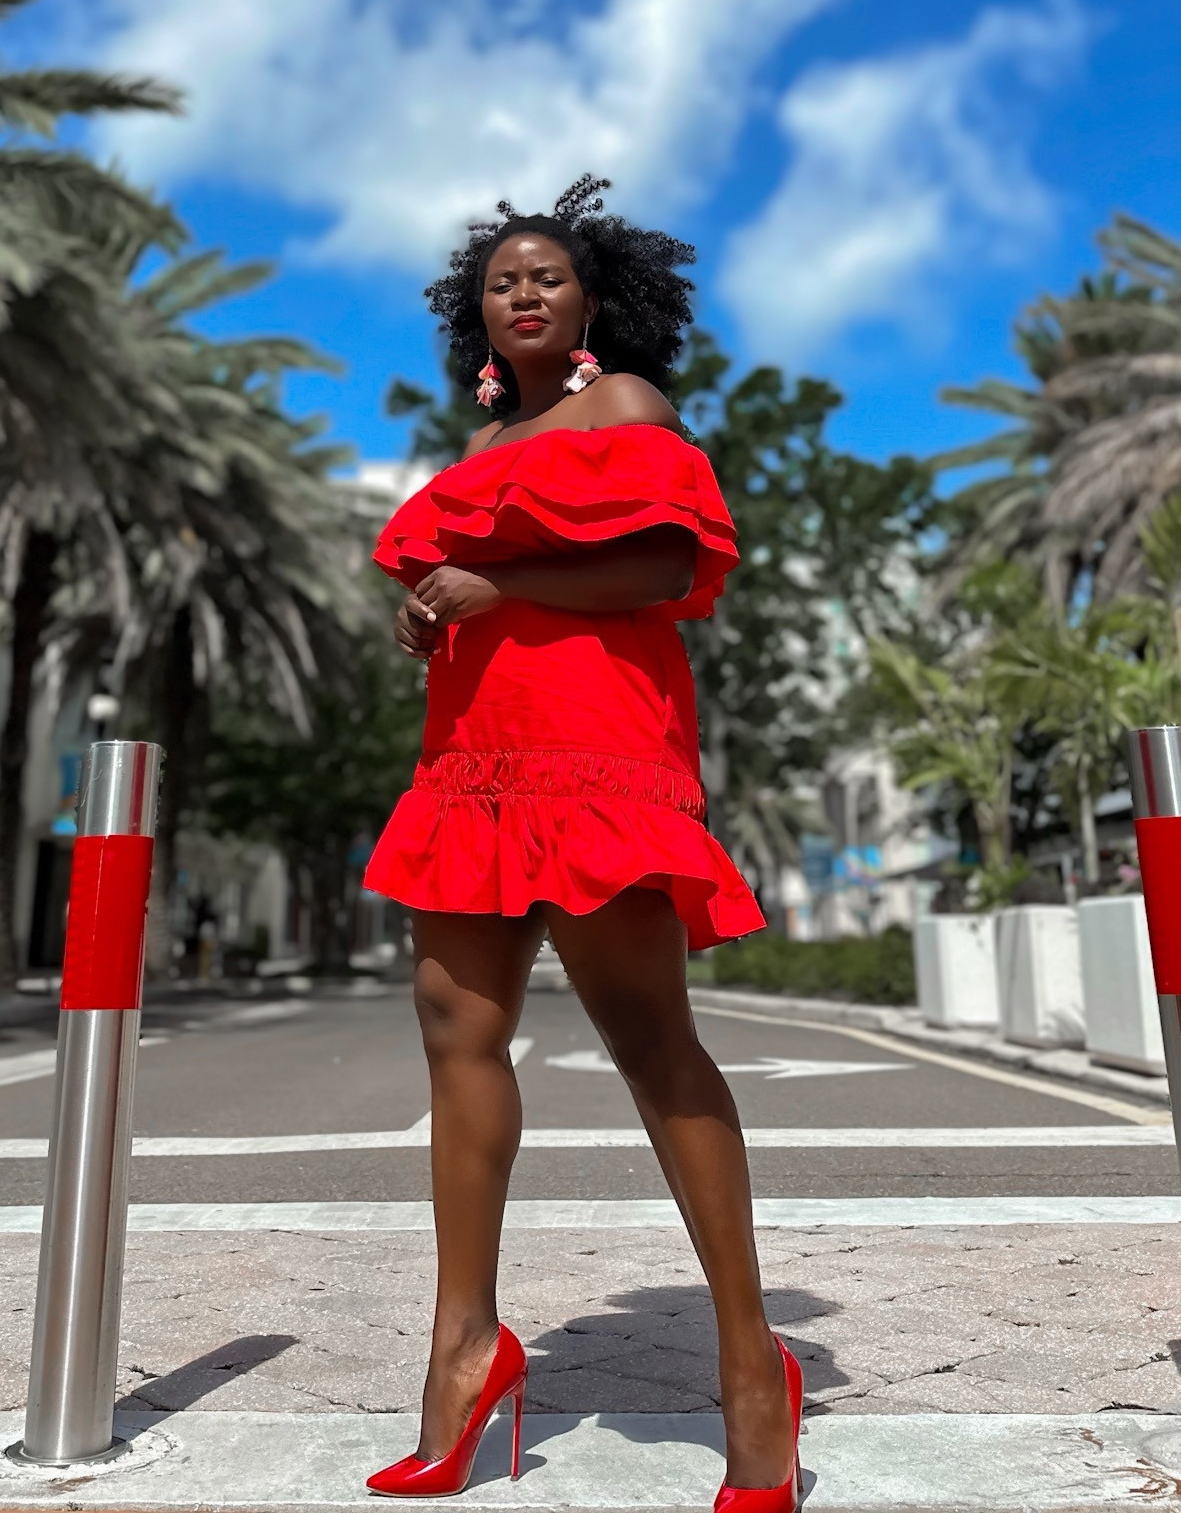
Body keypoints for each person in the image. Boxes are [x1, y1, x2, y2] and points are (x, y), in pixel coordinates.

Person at [363, 177, 802, 1511]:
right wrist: (437, 613)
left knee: (648, 1037)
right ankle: (465, 1350)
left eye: (547, 275)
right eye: (502, 282)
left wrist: (501, 582)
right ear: (479, 319)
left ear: (595, 302)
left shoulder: (628, 410)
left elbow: (668, 576)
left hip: (597, 751)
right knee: (454, 1031)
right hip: (473, 755)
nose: (525, 293)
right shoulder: (480, 448)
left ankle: (748, 1364)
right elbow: (475, 576)